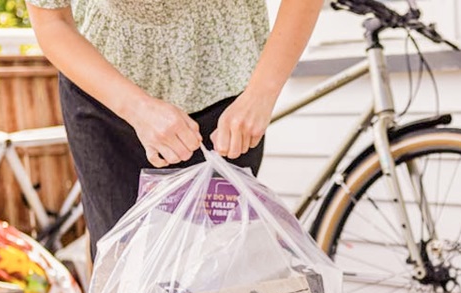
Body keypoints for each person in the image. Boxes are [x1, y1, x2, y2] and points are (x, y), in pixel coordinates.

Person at [27, 0, 322, 255]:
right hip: (106, 94)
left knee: (220, 273)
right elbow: (52, 22)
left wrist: (261, 95)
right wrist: (137, 109)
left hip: (226, 91)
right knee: (123, 270)